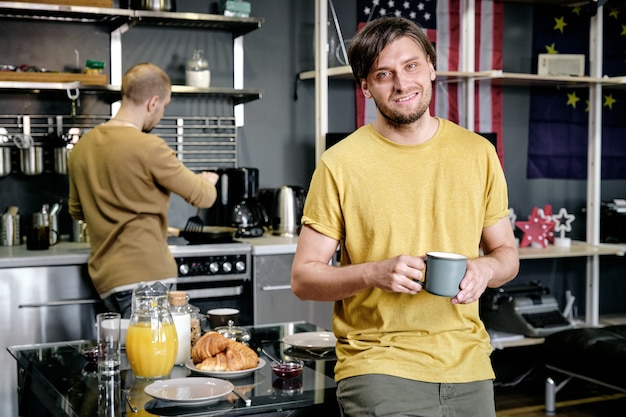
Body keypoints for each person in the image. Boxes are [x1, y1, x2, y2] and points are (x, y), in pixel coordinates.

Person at [291, 17, 519, 417]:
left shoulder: (478, 153)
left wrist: (484, 269)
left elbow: (506, 254)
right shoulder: (340, 163)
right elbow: (304, 278)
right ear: (365, 87)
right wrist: (373, 273)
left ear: (431, 67)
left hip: (469, 364)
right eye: (384, 74)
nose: (401, 83)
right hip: (379, 366)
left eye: (411, 66)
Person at [68, 62, 219, 318]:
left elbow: (77, 211)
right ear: (153, 102)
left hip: (106, 280)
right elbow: (204, 197)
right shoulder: (150, 147)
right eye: (163, 106)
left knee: (127, 355)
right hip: (148, 278)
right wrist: (207, 180)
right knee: (155, 357)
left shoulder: (82, 147)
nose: (160, 113)